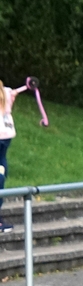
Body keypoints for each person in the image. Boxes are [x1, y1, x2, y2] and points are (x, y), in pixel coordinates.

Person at [0, 79, 25, 233]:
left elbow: (9, 94)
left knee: (2, 175)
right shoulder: (5, 94)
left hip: (4, 142)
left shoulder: (5, 94)